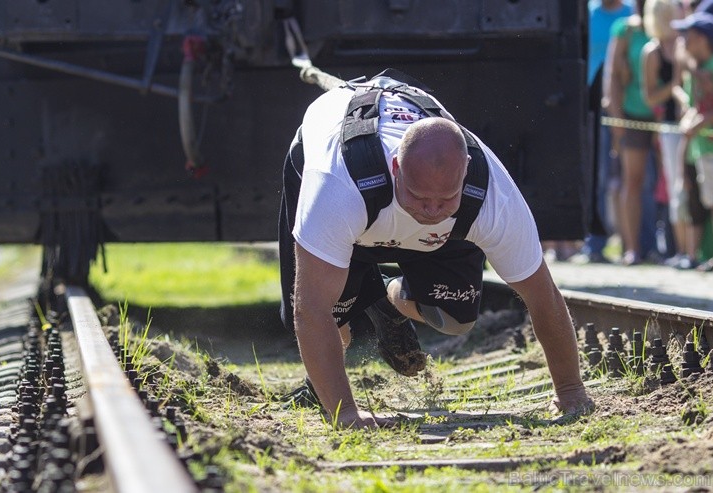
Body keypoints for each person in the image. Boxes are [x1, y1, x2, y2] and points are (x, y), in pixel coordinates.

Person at [278, 70, 594, 429]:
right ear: (396, 167)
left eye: (446, 198)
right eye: (419, 196)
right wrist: (346, 414)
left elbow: (543, 297)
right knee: (335, 324)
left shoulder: (493, 197)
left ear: (466, 174)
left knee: (456, 320)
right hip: (357, 203)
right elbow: (311, 311)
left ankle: (385, 297)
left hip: (407, 219)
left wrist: (570, 392)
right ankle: (322, 383)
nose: (431, 210)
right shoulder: (336, 185)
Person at [673, 12, 713, 271]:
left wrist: (705, 120)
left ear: (703, 39)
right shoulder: (694, 71)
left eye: (689, 35)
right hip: (703, 148)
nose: (684, 40)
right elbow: (693, 106)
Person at [606, 0, 664, 265]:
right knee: (633, 181)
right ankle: (633, 248)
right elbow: (613, 77)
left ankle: (671, 248)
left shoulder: (666, 23)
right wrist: (617, 119)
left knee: (668, 183)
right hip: (633, 115)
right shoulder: (624, 30)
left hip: (665, 115)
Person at [581, 0, 634, 264]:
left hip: (627, 108)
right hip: (592, 105)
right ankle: (595, 243)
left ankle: (636, 245)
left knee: (632, 179)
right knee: (598, 176)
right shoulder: (588, 14)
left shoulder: (629, 16)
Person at [641, 0, 692, 266]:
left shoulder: (685, 43)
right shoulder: (652, 52)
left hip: (690, 124)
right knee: (675, 187)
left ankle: (689, 251)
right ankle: (680, 250)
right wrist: (673, 87)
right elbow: (650, 97)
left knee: (692, 186)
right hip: (669, 128)